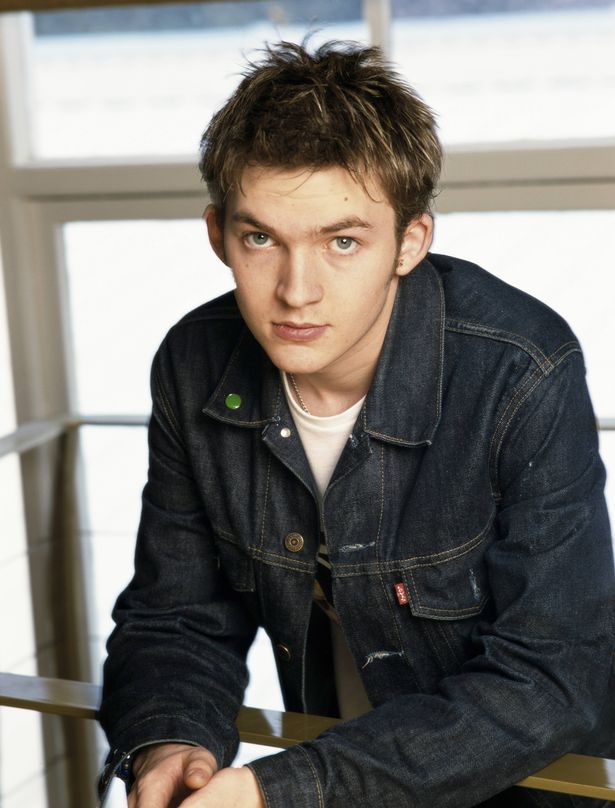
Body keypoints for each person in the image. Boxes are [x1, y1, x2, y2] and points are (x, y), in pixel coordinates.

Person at [98, 40, 615, 808]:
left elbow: (553, 673)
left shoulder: (519, 369)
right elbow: (175, 616)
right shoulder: (193, 362)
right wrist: (168, 740)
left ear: (409, 243)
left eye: (341, 242)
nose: (296, 291)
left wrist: (283, 788)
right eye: (261, 238)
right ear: (217, 236)